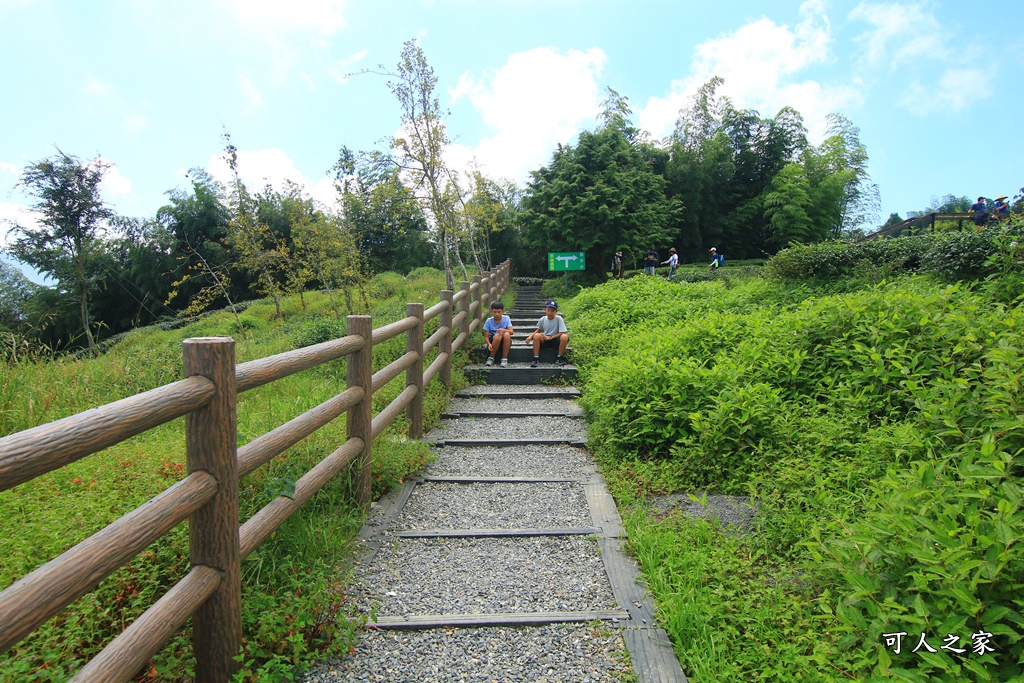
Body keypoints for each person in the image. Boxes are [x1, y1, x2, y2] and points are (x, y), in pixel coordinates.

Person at [526, 300, 568, 367]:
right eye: (548, 310)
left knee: (564, 336)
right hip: (546, 340)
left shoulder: (559, 319)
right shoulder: (543, 319)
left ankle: (560, 357)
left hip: (556, 340)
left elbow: (563, 331)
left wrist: (551, 337)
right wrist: (530, 337)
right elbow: (539, 330)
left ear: (556, 312)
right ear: (545, 310)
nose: (550, 312)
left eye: (552, 311)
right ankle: (535, 358)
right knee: (536, 336)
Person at [482, 301, 513, 367]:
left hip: (505, 340)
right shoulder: (489, 321)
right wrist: (489, 344)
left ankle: (504, 358)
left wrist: (504, 330)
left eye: (499, 312)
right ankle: (491, 357)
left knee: (507, 334)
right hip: (494, 340)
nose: (497, 314)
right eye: (495, 312)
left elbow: (511, 332)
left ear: (502, 312)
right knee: (498, 336)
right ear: (491, 312)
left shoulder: (506, 319)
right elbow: (486, 336)